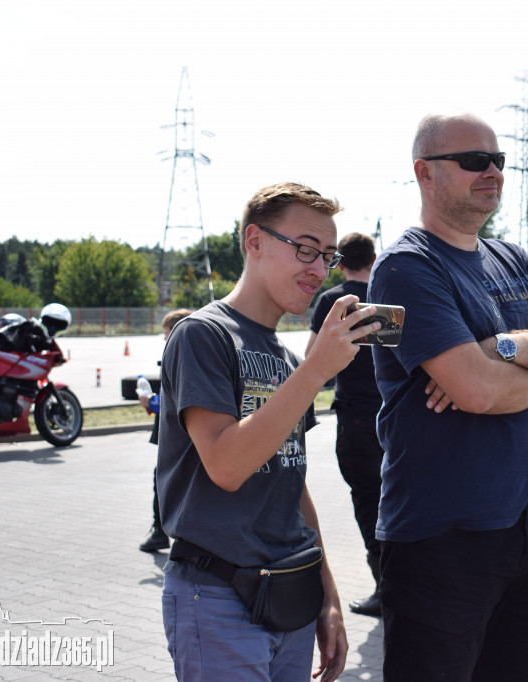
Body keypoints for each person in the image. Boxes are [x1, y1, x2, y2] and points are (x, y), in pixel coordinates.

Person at [367, 113, 528, 682]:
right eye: (474, 161)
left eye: (499, 161)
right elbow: (474, 391)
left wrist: (496, 349)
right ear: (424, 173)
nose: (493, 172)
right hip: (441, 534)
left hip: (526, 527)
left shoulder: (514, 259)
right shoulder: (402, 269)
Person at [156, 182, 378, 681]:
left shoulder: (284, 357)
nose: (319, 270)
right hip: (217, 598)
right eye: (304, 249)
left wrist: (329, 597)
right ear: (254, 241)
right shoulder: (203, 335)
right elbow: (227, 465)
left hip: (290, 598)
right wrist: (316, 372)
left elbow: (290, 484)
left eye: (327, 255)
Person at [305, 232, 384, 617]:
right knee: (397, 499)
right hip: (394, 416)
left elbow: (312, 358)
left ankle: (384, 586)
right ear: (373, 257)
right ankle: (407, 583)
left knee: (367, 498)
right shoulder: (386, 301)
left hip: (355, 416)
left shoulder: (334, 301)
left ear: (340, 260)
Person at [138, 308, 192, 553]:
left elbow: (181, 400)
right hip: (177, 434)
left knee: (165, 478)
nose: (164, 339)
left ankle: (162, 531)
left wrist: (151, 402)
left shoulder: (185, 356)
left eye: (167, 333)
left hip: (181, 438)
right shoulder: (185, 355)